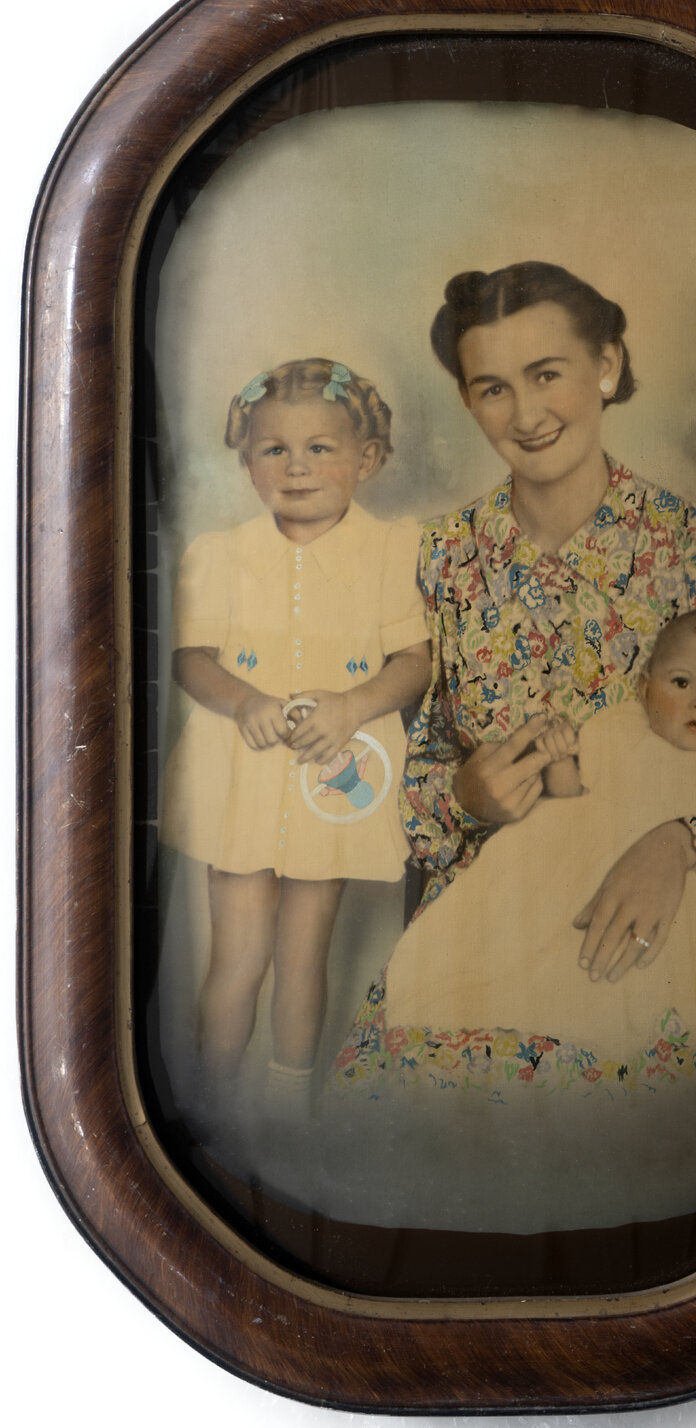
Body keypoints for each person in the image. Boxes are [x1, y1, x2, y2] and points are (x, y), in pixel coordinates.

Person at [400, 262, 696, 982]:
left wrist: (682, 842)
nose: (526, 415)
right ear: (468, 402)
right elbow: (402, 784)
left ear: (606, 365)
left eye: (546, 374)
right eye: (494, 389)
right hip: (477, 959)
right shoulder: (439, 556)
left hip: (651, 969)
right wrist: (464, 798)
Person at [335, 610, 696, 1095]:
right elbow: (569, 793)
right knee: (527, 956)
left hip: (679, 911)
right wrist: (560, 756)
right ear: (647, 688)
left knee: (655, 1000)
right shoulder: (625, 729)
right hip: (576, 869)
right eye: (682, 682)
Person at [160, 357, 431, 1122]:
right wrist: (242, 699)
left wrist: (352, 705)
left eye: (321, 447)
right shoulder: (221, 555)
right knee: (239, 955)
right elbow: (189, 657)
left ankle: (286, 1111)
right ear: (247, 464)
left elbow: (414, 661)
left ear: (367, 459)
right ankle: (211, 1109)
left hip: (333, 776)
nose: (298, 466)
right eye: (275, 449)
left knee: (304, 953)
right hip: (242, 785)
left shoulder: (388, 554)